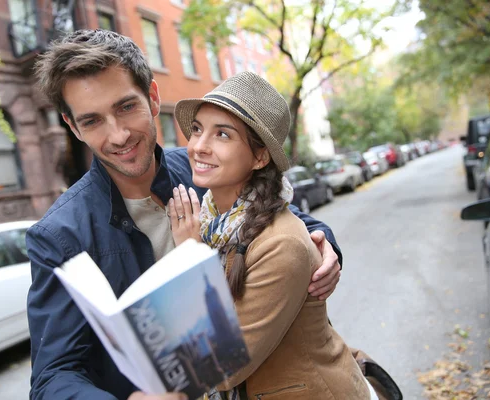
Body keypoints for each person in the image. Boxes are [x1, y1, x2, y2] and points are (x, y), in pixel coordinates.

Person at [27, 29, 342, 400]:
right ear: (72, 126)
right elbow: (52, 376)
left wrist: (324, 244)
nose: (118, 136)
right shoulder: (58, 235)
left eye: (126, 107)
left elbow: (273, 214)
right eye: (92, 121)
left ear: (154, 98)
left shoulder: (202, 170)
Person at [169, 72, 378, 399]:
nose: (198, 146)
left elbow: (222, 369)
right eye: (197, 129)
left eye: (222, 134)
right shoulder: (210, 222)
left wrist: (189, 258)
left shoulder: (281, 243)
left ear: (259, 156)